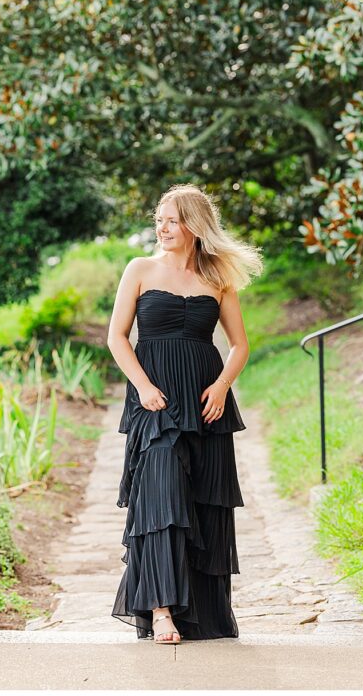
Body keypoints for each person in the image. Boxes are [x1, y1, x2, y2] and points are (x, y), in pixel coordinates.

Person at [108, 183, 264, 643]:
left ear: (194, 226)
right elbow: (117, 337)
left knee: (201, 502)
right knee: (160, 499)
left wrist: (221, 387)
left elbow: (240, 345)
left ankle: (204, 612)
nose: (162, 227)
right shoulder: (139, 269)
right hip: (154, 401)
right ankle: (161, 612)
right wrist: (143, 387)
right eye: (159, 218)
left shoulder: (218, 280)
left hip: (206, 403)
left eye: (171, 219)